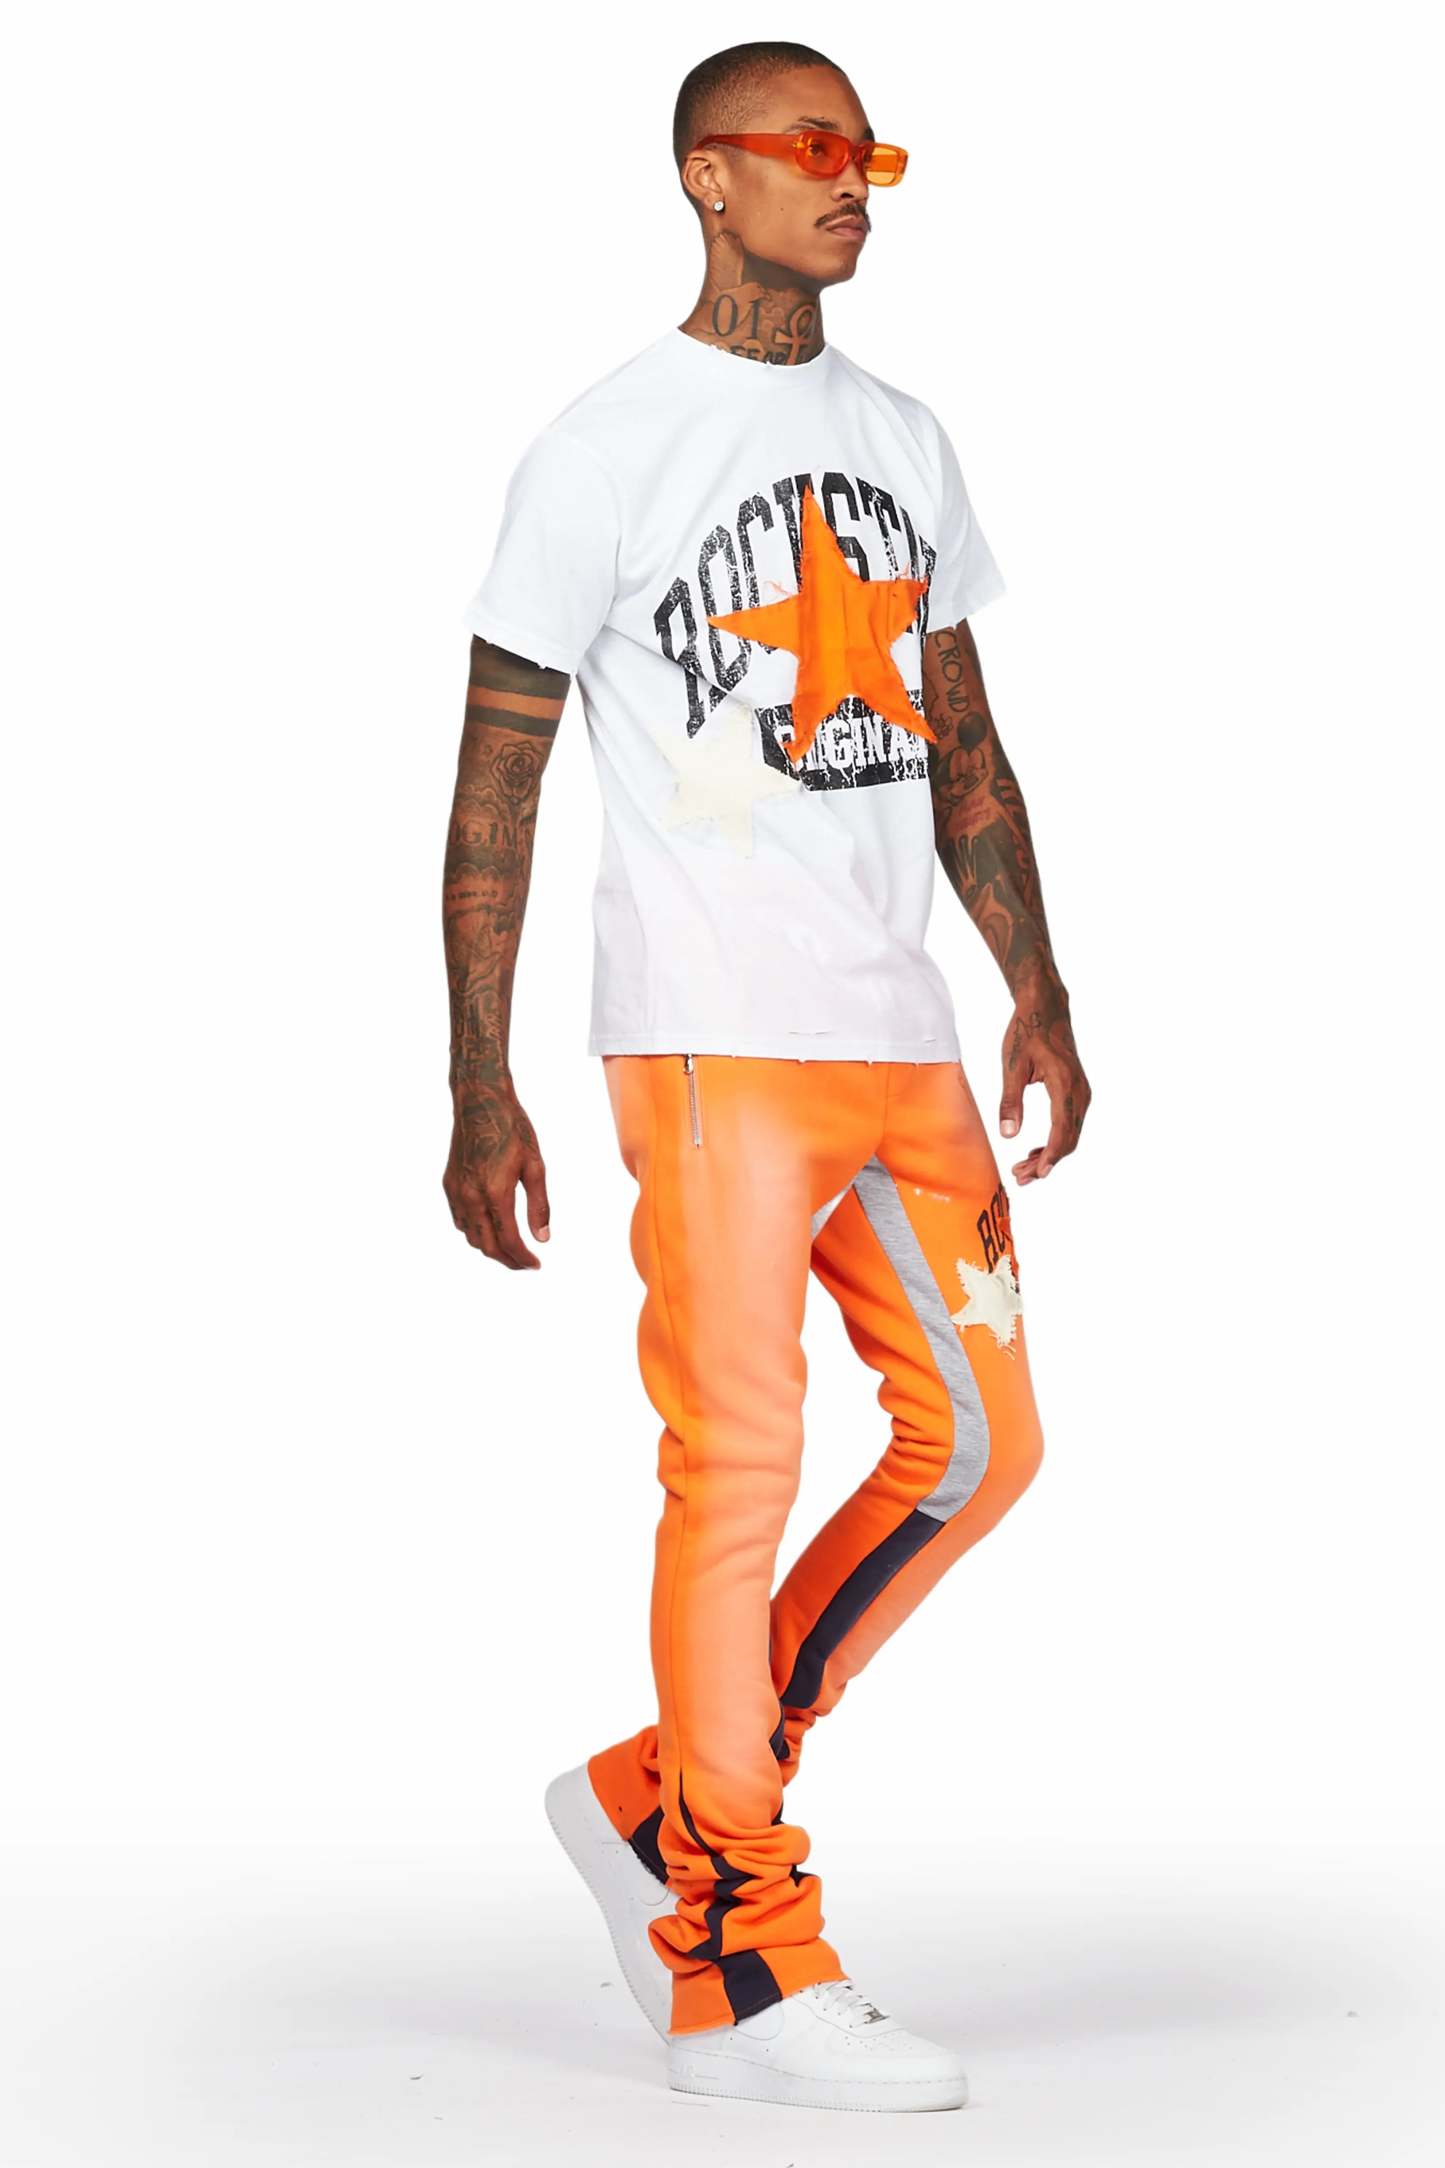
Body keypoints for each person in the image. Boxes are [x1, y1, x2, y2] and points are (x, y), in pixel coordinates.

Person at [444, 38, 1090, 2115]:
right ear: (706, 179)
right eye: (813, 150)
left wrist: (1037, 984)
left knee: (979, 1443)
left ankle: (665, 1793)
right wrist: (478, 1077)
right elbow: (497, 777)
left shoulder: (904, 433)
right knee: (734, 1467)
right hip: (709, 1031)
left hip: (898, 1031)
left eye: (869, 151)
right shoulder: (603, 447)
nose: (853, 182)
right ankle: (732, 1958)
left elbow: (960, 734)